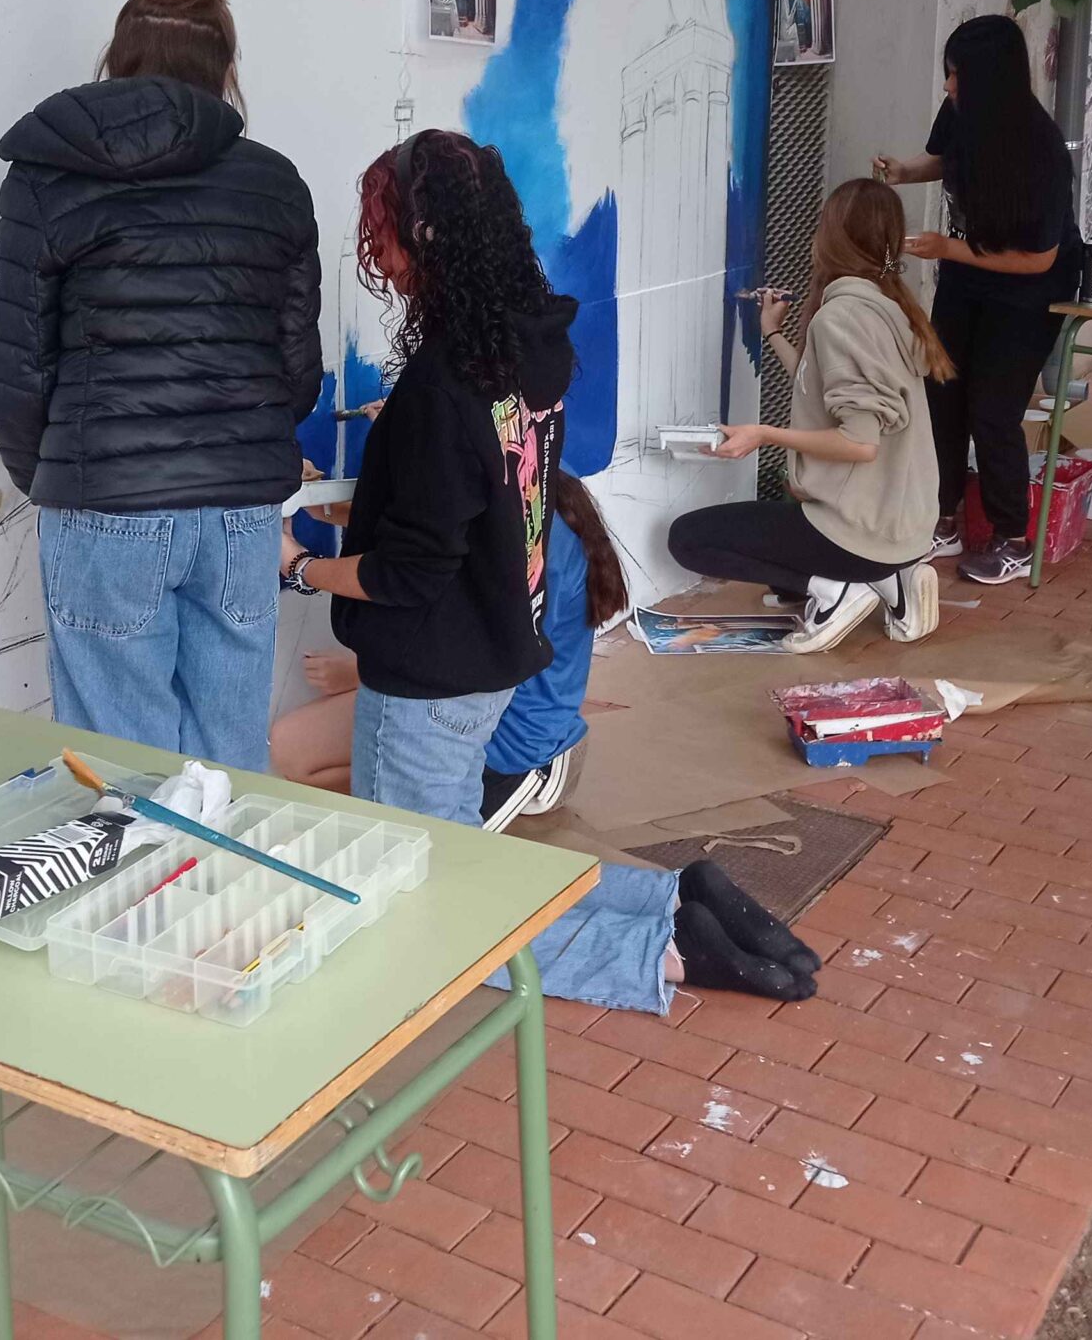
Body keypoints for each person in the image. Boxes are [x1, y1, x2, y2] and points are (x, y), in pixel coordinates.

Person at [281, 129, 820, 1007]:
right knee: (464, 866)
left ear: (425, 235)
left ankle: (658, 953)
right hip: (493, 656)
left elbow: (404, 574)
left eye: (382, 233)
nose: (379, 257)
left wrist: (302, 564)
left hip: (431, 678)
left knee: (423, 908)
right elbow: (475, 507)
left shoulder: (439, 388)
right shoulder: (527, 352)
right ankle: (670, 897)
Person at [0, 0, 322, 767]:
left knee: (118, 773)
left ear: (120, 56)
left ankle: (140, 860)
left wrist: (63, 476)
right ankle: (220, 862)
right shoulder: (276, 185)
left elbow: (16, 370)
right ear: (225, 67)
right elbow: (298, 373)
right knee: (228, 767)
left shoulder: (47, 178)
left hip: (104, 499)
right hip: (240, 511)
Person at [667, 177, 948, 650]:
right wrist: (773, 332)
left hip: (858, 533)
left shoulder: (842, 316)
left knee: (688, 539)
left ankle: (838, 590)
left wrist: (764, 434)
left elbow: (859, 442)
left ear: (832, 237)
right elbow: (824, 385)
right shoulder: (890, 306)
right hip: (903, 529)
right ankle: (891, 581)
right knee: (778, 553)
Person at [271, 470, 629, 831]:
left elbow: (422, 586)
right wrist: (323, 507)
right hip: (471, 694)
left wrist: (301, 565)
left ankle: (406, 798)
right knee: (292, 747)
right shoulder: (515, 477)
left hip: (516, 746)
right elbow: (426, 536)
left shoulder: (529, 545)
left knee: (416, 835)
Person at [874, 14, 1084, 585]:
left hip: (1029, 291)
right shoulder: (962, 111)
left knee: (992, 409)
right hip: (967, 275)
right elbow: (948, 159)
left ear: (989, 78)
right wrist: (905, 172)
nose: (947, 85)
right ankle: (941, 519)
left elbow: (1037, 259)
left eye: (955, 75)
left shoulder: (1042, 153)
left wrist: (949, 248)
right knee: (942, 391)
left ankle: (1012, 537)